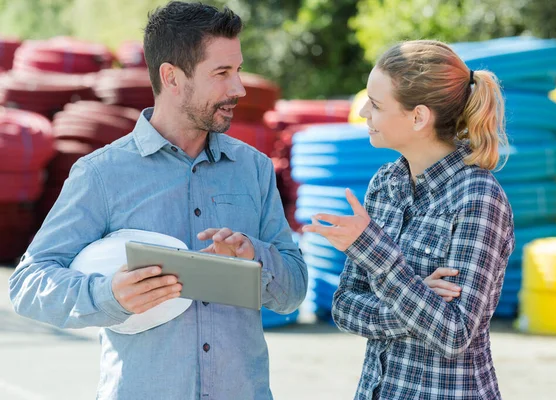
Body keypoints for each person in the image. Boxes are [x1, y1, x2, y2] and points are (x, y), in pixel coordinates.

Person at [9, 2, 307, 399]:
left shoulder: (253, 169)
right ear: (171, 77)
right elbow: (28, 284)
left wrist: (255, 256)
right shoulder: (101, 174)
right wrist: (108, 296)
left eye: (237, 70)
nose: (239, 88)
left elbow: (294, 290)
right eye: (222, 73)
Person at [303, 40, 515, 400]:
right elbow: (344, 307)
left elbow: (453, 333)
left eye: (377, 104)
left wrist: (377, 256)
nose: (363, 113)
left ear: (418, 117)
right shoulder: (385, 185)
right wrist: (415, 303)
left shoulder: (478, 198)